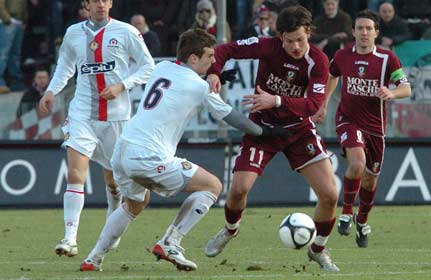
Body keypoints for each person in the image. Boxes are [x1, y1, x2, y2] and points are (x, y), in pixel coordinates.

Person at [79, 28, 290, 272]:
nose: (214, 62)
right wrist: (266, 133)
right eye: (210, 56)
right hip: (148, 155)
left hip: (123, 151)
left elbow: (179, 86)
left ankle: (93, 258)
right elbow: (234, 119)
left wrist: (213, 77)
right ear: (193, 58)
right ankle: (171, 242)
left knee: (135, 203)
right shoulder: (199, 88)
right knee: (213, 186)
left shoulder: (163, 68)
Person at [204, 5, 340, 272]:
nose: (296, 47)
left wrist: (275, 99)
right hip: (262, 130)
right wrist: (213, 71)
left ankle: (318, 249)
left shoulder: (319, 61)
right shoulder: (266, 46)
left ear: (308, 33)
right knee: (238, 189)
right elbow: (225, 50)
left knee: (330, 194)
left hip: (298, 131)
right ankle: (231, 230)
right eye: (289, 41)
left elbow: (313, 105)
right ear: (280, 37)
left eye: (300, 39)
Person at [38, 0, 155, 257]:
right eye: (95, 0)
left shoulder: (126, 31)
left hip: (117, 118)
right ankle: (69, 239)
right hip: (82, 113)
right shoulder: (73, 33)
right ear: (86, 5)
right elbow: (66, 66)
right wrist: (51, 91)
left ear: (110, 3)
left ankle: (111, 223)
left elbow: (148, 66)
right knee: (75, 173)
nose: (101, 4)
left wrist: (121, 85)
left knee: (114, 180)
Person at [312, 10, 411, 248]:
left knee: (370, 181)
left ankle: (362, 221)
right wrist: (324, 103)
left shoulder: (388, 59)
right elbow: (332, 75)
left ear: (376, 32)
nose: (364, 33)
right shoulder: (343, 55)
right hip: (348, 119)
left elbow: (406, 88)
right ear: (353, 32)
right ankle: (346, 213)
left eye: (369, 29)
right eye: (360, 28)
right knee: (357, 163)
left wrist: (392, 92)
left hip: (375, 127)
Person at [0, 0, 27, 94]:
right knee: (3, 54)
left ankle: (16, 83)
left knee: (15, 54)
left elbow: (24, 5)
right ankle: (0, 83)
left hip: (19, 22)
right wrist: (7, 20)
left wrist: (24, 20)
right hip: (7, 22)